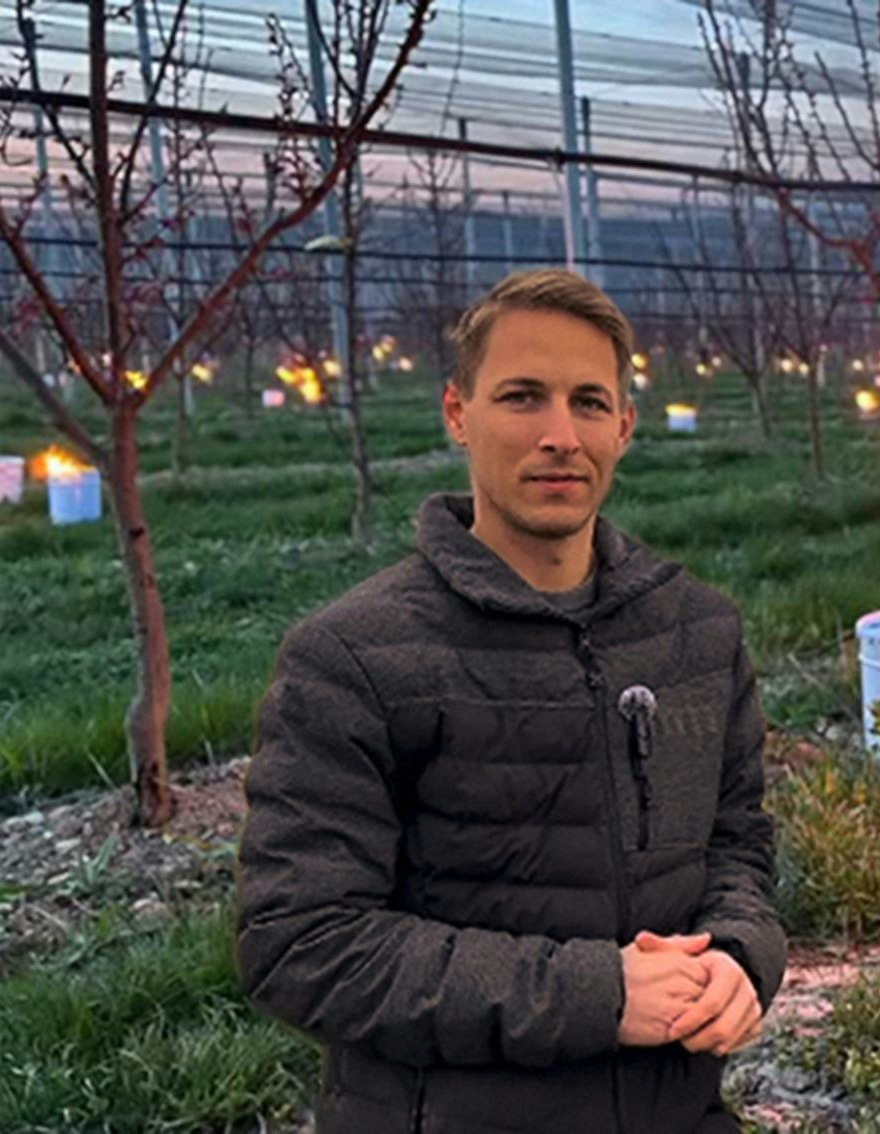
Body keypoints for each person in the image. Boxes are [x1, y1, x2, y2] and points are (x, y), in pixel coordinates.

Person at [235, 268, 784, 1133]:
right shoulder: (355, 657)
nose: (560, 435)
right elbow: (302, 942)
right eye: (523, 397)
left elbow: (737, 847)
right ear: (459, 413)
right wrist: (597, 996)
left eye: (589, 403)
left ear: (626, 426)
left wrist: (742, 958)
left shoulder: (696, 635)